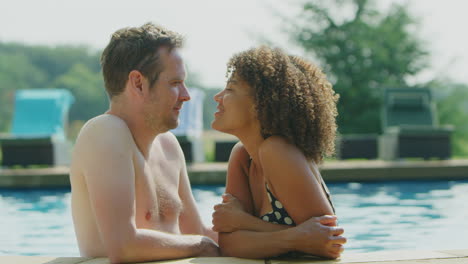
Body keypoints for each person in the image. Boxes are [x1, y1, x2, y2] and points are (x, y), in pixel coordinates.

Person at [69, 23, 219, 263]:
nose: (186, 94)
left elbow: (197, 232)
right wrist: (202, 246)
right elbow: (123, 246)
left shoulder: (168, 145)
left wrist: (282, 238)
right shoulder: (104, 132)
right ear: (138, 83)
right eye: (174, 83)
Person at [211, 46, 346, 259]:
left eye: (230, 89)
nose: (218, 97)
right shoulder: (242, 156)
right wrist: (297, 238)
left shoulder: (277, 151)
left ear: (259, 104)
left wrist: (244, 222)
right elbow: (229, 244)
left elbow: (329, 242)